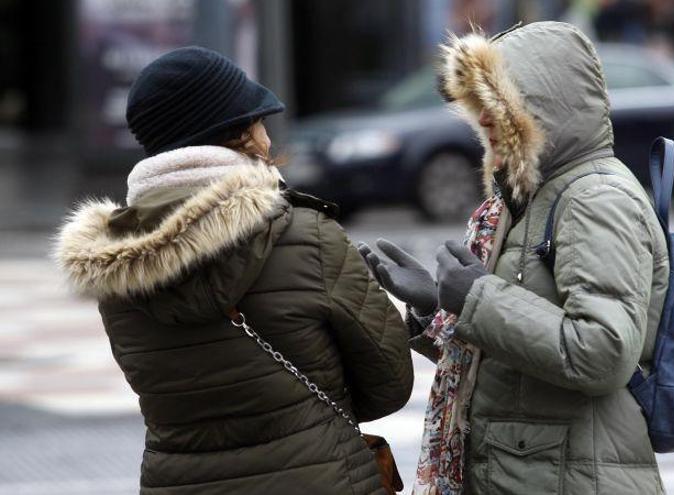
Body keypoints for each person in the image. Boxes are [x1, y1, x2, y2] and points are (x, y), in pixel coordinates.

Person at [53, 46, 413, 495]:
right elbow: (389, 386)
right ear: (239, 133)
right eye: (258, 121)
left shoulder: (115, 265)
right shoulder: (306, 235)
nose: (266, 136)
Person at [360, 21, 669, 494]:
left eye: (496, 103)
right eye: (477, 106)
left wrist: (478, 297)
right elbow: (512, 362)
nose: (482, 119)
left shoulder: (595, 198)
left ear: (543, 106)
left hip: (575, 477)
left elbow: (603, 352)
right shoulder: (528, 200)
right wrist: (436, 308)